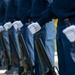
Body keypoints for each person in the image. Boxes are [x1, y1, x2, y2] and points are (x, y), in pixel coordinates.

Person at [27, 0, 75, 75]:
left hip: (72, 24)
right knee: (64, 66)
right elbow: (55, 4)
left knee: (72, 66)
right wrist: (40, 22)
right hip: (62, 24)